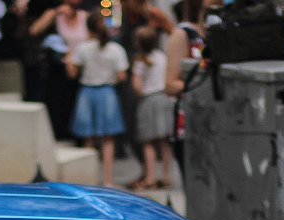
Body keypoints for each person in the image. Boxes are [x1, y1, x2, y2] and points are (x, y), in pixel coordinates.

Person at [67, 13, 129, 187]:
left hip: (87, 93)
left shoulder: (82, 48)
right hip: (107, 93)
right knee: (108, 139)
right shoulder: (116, 49)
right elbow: (122, 76)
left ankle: (89, 180)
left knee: (89, 138)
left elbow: (73, 73)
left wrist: (68, 59)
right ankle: (108, 180)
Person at [29, 1, 89, 139]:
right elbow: (34, 30)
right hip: (59, 69)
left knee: (78, 105)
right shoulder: (55, 15)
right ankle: (60, 136)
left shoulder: (85, 16)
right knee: (60, 105)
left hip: (81, 68)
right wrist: (56, 12)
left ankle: (79, 138)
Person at [128, 26, 174, 190]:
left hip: (148, 100)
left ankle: (150, 178)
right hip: (164, 99)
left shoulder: (140, 62)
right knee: (164, 141)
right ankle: (167, 176)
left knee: (148, 142)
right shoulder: (162, 57)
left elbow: (137, 87)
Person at [163, 0, 204, 176]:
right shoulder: (183, 34)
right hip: (191, 124)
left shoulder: (217, 30)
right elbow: (170, 85)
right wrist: (205, 88)